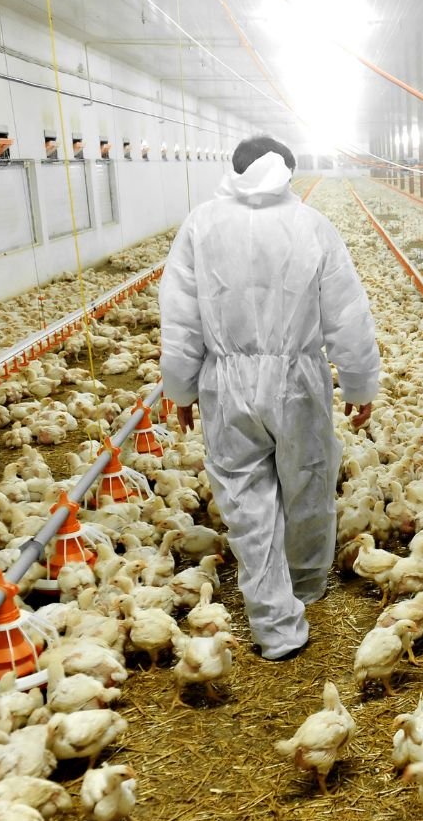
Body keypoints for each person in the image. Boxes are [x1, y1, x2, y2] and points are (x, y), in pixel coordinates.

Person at [159, 136, 380, 660]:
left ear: (233, 170)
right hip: (298, 379)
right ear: (288, 170)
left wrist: (182, 388)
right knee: (308, 481)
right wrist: (358, 382)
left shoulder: (201, 225)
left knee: (243, 499)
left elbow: (181, 317)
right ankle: (305, 583)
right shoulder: (310, 225)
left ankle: (276, 626)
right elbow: (346, 312)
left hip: (226, 380)